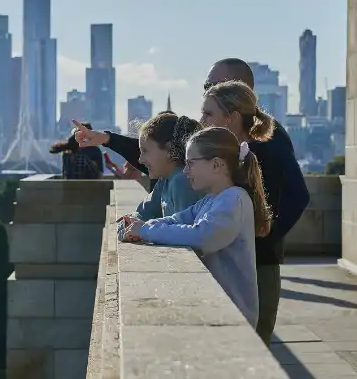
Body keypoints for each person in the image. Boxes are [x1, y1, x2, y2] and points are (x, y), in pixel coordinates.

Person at [75, 59, 309, 344]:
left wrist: (262, 233)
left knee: (255, 350)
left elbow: (298, 195)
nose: (203, 114)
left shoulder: (266, 146)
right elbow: (165, 150)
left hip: (259, 262)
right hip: (227, 257)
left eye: (211, 88)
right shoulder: (215, 167)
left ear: (233, 107)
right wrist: (107, 139)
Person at [119, 126, 271, 329]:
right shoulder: (213, 199)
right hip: (221, 310)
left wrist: (145, 231)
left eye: (191, 163)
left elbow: (202, 236)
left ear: (216, 165)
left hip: (234, 315)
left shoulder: (233, 200)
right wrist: (143, 226)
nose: (185, 170)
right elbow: (177, 219)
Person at [90, 113, 202, 237]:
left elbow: (185, 234)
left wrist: (142, 230)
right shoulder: (165, 180)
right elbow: (141, 214)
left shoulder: (182, 181)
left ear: (170, 151)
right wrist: (128, 225)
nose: (140, 160)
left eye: (145, 151)